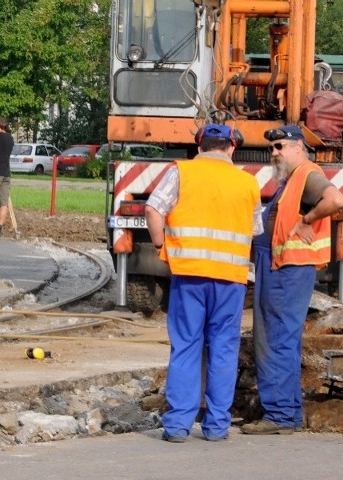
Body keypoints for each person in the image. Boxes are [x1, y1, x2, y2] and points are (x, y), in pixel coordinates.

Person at [145, 123, 263, 442]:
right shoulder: (248, 183)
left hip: (190, 274)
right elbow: (254, 230)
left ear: (199, 147)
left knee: (186, 345)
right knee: (224, 347)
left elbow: (154, 209)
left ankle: (178, 425)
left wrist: (160, 246)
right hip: (231, 280)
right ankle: (216, 426)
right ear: (232, 148)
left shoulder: (182, 172)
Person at [241, 125, 343, 435]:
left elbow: (334, 200)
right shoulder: (291, 181)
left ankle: (281, 415)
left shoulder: (307, 175)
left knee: (276, 340)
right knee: (277, 339)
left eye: (280, 147)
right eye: (272, 148)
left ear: (299, 147)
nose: (274, 153)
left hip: (287, 272)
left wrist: (307, 220)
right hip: (279, 268)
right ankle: (287, 412)